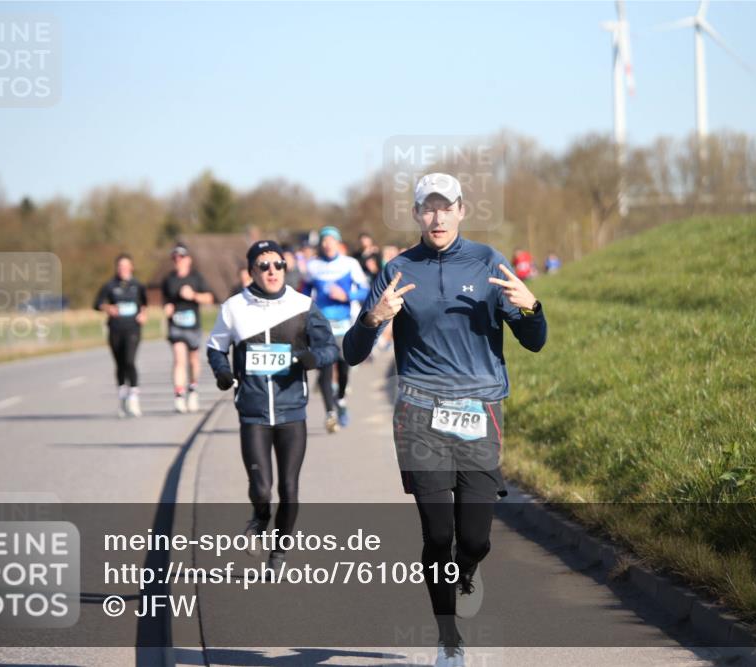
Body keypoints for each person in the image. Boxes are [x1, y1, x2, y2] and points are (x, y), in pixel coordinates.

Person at [344, 173, 546, 667]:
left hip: (480, 410)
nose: (436, 217)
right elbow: (352, 353)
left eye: (445, 207)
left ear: (461, 210)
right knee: (437, 534)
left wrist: (532, 308)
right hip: (420, 412)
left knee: (474, 538)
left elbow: (535, 341)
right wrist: (374, 319)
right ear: (416, 215)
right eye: (427, 208)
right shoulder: (397, 270)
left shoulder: (487, 261)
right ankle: (447, 637)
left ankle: (468, 569)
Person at [207, 240, 339, 573]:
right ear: (251, 270)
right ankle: (260, 517)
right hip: (252, 412)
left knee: (290, 488)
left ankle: (279, 553)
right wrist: (223, 373)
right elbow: (215, 348)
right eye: (263, 265)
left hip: (292, 410)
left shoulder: (303, 305)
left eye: (278, 264)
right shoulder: (234, 307)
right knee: (262, 488)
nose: (272, 271)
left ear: (285, 267)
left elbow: (329, 349)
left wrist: (311, 358)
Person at [303, 226, 370, 432]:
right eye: (323, 240)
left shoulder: (349, 264)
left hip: (343, 325)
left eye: (331, 240)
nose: (327, 244)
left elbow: (365, 291)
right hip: (321, 326)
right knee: (324, 370)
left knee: (343, 370)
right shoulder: (312, 266)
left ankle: (340, 400)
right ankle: (329, 412)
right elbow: (305, 291)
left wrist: (347, 296)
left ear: (338, 243)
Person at [162, 243, 215, 413]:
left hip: (193, 326)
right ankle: (179, 394)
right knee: (179, 358)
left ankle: (193, 389)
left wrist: (193, 295)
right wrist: (167, 308)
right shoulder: (168, 280)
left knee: (193, 360)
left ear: (188, 260)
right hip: (176, 326)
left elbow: (209, 298)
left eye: (181, 257)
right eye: (175, 258)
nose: (178, 260)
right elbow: (165, 302)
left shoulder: (196, 278)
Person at [94, 254, 148, 417]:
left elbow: (145, 304)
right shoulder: (109, 286)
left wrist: (144, 314)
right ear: (116, 268)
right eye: (120, 266)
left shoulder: (138, 285)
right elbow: (97, 304)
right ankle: (122, 398)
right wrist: (108, 308)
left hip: (132, 329)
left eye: (126, 266)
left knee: (130, 361)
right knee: (120, 365)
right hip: (115, 329)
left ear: (131, 267)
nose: (123, 269)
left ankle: (134, 398)